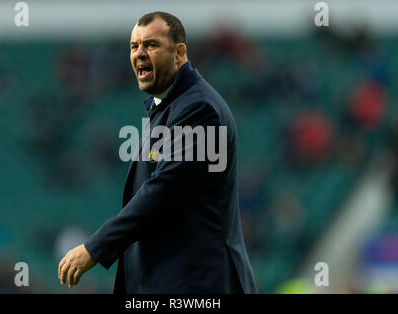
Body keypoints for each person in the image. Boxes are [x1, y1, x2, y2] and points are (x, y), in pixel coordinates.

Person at [58, 11, 257, 294]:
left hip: (198, 285)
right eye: (133, 46)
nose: (139, 54)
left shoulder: (199, 108)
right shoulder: (171, 107)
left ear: (179, 53)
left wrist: (95, 247)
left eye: (150, 45)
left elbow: (165, 191)